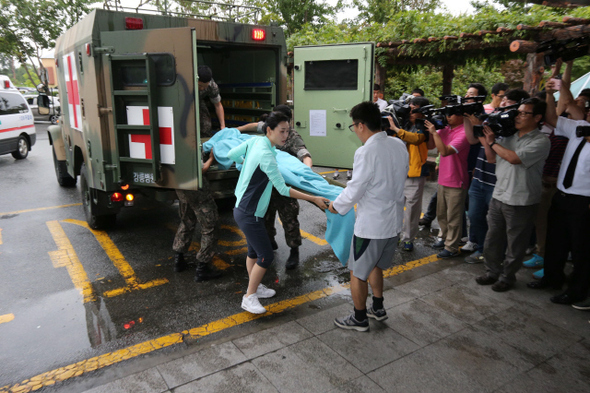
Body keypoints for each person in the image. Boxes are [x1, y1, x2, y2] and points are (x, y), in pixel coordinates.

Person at [228, 112, 329, 314]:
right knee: (265, 256)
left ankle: (255, 288)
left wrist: (245, 162)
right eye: (281, 131)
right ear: (269, 130)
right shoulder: (266, 154)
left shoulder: (255, 143)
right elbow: (283, 189)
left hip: (243, 208)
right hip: (250, 213)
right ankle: (249, 297)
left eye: (287, 131)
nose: (285, 135)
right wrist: (314, 198)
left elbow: (232, 155)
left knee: (253, 253)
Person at [329, 101, 408, 332]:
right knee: (376, 266)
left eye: (353, 126)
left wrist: (336, 206)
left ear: (361, 125)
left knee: (357, 272)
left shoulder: (366, 152)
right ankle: (378, 308)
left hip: (371, 226)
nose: (354, 130)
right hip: (393, 223)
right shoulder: (398, 144)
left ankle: (359, 318)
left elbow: (355, 189)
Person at [475, 98, 550, 292]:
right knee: (492, 238)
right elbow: (492, 158)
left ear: (538, 118)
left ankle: (508, 277)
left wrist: (493, 142)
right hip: (499, 195)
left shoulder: (541, 141)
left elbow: (514, 158)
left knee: (515, 243)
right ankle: (492, 272)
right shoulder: (509, 136)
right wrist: (485, 136)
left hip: (521, 199)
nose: (519, 117)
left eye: (525, 113)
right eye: (518, 113)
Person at [527, 77, 590, 305]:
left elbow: (573, 106)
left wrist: (564, 89)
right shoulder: (579, 129)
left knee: (581, 250)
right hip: (561, 196)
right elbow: (552, 117)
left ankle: (577, 291)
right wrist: (552, 94)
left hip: (584, 203)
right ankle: (552, 278)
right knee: (556, 242)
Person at [238, 105, 313, 270]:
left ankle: (294, 251)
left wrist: (306, 172)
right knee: (265, 217)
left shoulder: (292, 136)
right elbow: (254, 126)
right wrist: (236, 130)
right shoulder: (269, 128)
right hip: (266, 187)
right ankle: (269, 242)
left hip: (284, 187)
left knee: (289, 219)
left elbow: (304, 154)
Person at [462, 88, 530, 264]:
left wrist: (485, 133)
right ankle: (482, 249)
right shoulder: (494, 120)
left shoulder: (514, 130)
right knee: (475, 216)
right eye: (503, 100)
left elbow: (492, 157)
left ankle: (492, 254)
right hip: (479, 178)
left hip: (496, 181)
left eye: (508, 101)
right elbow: (472, 140)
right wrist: (468, 120)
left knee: (495, 224)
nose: (504, 104)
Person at [386, 97, 430, 252]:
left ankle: (408, 239)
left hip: (415, 172)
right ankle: (395, 235)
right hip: (398, 172)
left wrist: (396, 129)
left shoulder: (424, 125)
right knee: (396, 206)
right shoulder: (401, 122)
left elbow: (417, 139)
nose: (410, 110)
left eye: (414, 107)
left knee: (412, 209)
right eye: (409, 106)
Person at [172, 150, 223, 282]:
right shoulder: (189, 141)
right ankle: (202, 267)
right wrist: (211, 159)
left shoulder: (173, 139)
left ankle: (179, 258)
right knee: (210, 226)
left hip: (181, 188)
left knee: (186, 221)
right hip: (197, 190)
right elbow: (199, 171)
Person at [426, 108, 470, 258]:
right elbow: (431, 146)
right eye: (446, 114)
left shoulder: (464, 133)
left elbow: (444, 151)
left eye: (451, 114)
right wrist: (430, 131)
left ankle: (451, 247)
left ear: (461, 115)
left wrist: (433, 132)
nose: (447, 117)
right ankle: (443, 238)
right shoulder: (444, 130)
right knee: (442, 214)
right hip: (443, 178)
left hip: (457, 180)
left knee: (454, 216)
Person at [198, 65, 225, 137]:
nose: (202, 88)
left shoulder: (212, 86)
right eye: (200, 85)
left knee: (206, 124)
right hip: (185, 101)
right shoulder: (188, 82)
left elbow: (218, 105)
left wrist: (222, 126)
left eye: (205, 86)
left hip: (199, 101)